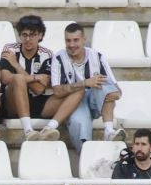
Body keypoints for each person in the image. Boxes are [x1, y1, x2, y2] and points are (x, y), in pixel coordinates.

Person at [47, 21, 121, 150]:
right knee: (79, 122)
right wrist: (84, 83)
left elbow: (117, 90)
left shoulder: (97, 56)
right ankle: (85, 155)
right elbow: (57, 91)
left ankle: (109, 131)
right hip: (74, 103)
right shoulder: (58, 58)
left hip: (96, 100)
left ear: (84, 40)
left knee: (102, 83)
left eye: (76, 40)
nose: (72, 45)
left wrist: (112, 94)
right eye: (68, 41)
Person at [0, 15, 56, 138]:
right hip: (11, 101)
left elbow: (39, 89)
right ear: (19, 36)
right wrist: (36, 77)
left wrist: (17, 66)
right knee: (18, 79)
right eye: (24, 35)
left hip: (36, 102)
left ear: (40, 36)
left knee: (19, 77)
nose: (28, 39)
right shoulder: (10, 49)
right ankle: (28, 130)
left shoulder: (47, 55)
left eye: (32, 35)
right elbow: (5, 78)